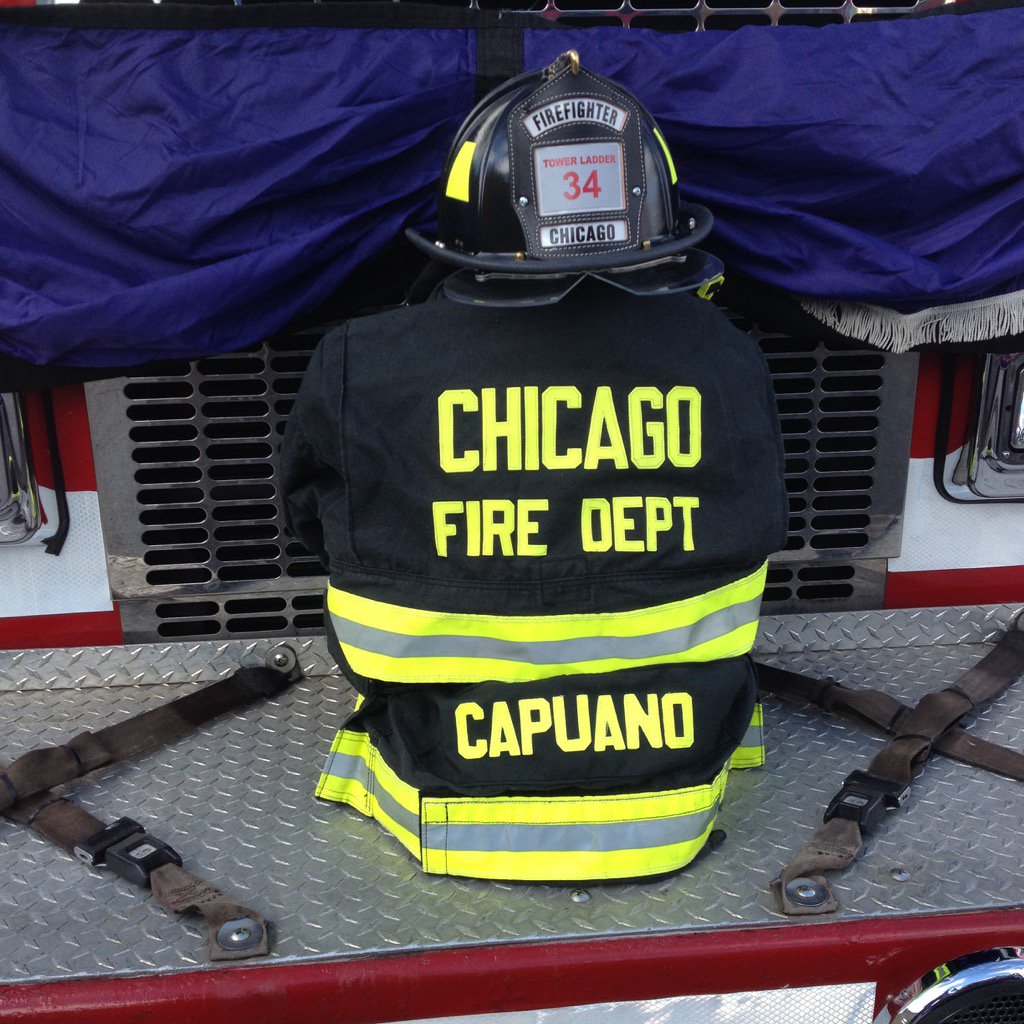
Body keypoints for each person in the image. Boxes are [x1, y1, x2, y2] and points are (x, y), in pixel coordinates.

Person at [282, 51, 788, 883]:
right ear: (655, 209)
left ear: (466, 218)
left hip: (438, 779)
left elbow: (310, 522)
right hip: (686, 765)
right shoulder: (726, 356)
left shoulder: (357, 361)